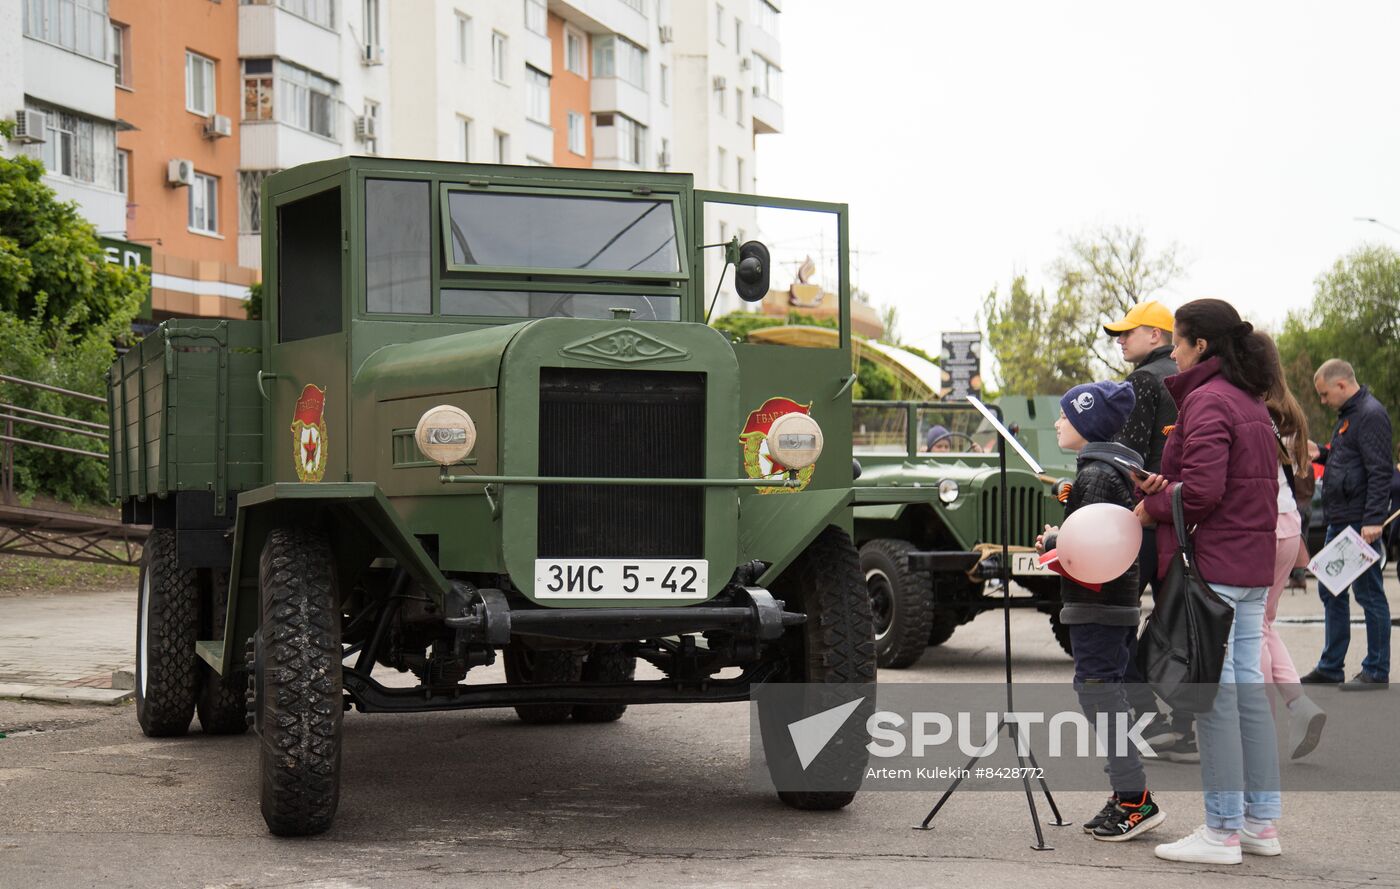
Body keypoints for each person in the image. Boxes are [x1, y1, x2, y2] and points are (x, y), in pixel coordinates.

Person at [1135, 298, 1282, 865]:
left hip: (1214, 568)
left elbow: (1202, 493)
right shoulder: (1249, 401)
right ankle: (1260, 824)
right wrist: (1169, 485)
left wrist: (1156, 502)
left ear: (1201, 346)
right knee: (1246, 692)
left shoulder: (1207, 401)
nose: (1171, 350)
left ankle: (1221, 831)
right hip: (1248, 566)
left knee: (1216, 697)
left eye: (1177, 340)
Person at [1034, 380, 1165, 842]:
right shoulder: (1114, 467)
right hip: (1113, 604)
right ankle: (1126, 793)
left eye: (1066, 416)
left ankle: (1134, 799)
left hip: (1098, 606)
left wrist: (1053, 542)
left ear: (1087, 423)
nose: (1057, 422)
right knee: (1107, 694)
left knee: (1099, 696)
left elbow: (1088, 547)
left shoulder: (1095, 474)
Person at [1102, 300, 1181, 747]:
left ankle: (1146, 714)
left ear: (1156, 335)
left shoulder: (1144, 381)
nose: (1120, 339)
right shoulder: (1188, 379)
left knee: (1114, 619)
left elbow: (1127, 456)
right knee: (1177, 624)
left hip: (1144, 516)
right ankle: (1185, 722)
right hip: (1182, 516)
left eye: (1128, 332)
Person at [1300, 359, 1393, 690]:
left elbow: (1380, 471)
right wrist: (1322, 454)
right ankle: (1331, 666)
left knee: (1369, 594)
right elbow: (1350, 461)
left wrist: (1373, 520)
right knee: (1331, 590)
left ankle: (1376, 670)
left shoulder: (1370, 414)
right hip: (1341, 519)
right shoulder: (1350, 417)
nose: (1323, 401)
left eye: (1325, 394)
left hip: (1357, 523)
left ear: (1341, 385)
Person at [1258, 335, 1325, 758]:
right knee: (1263, 624)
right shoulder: (1291, 410)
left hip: (1262, 525)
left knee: (1248, 629)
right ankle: (1299, 705)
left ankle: (1260, 725)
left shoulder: (1256, 409)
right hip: (1289, 523)